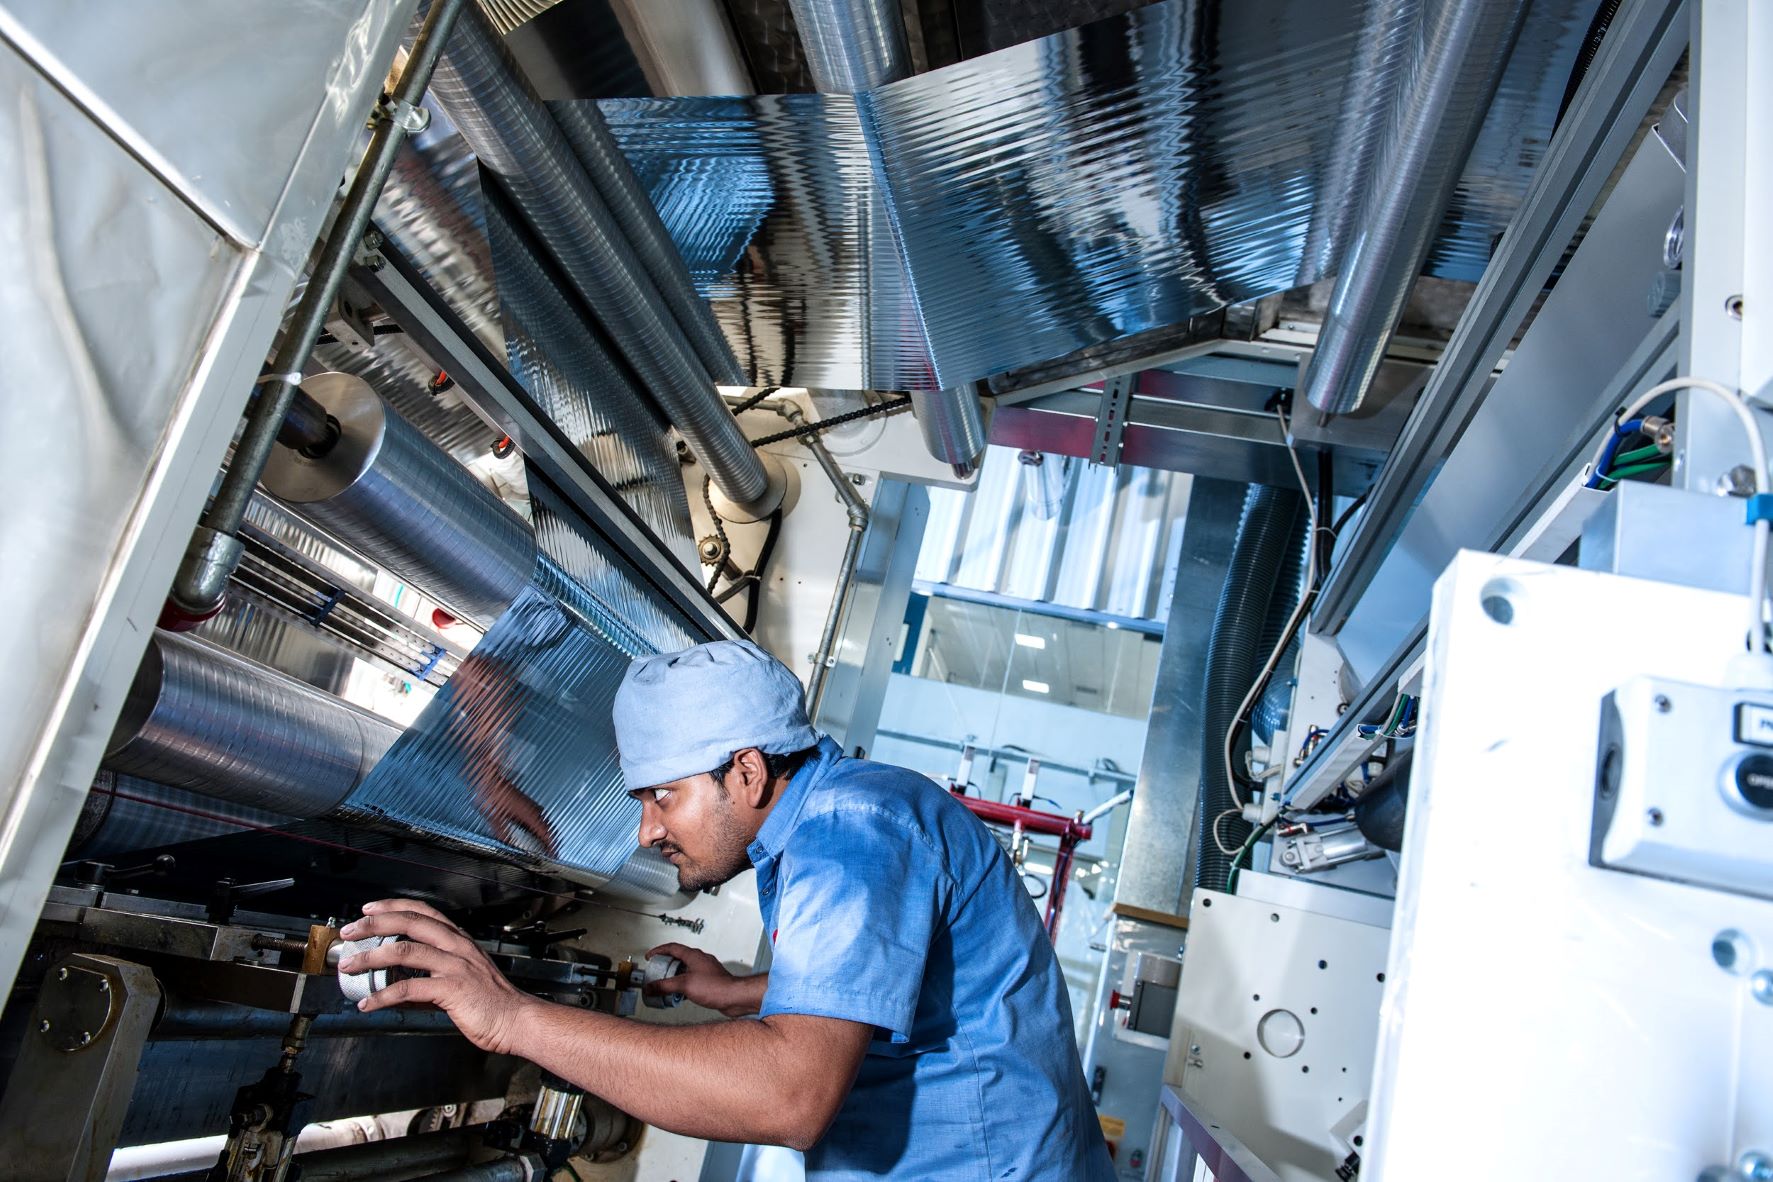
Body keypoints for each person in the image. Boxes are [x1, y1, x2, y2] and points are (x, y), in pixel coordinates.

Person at [340, 640, 1114, 1180]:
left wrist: (510, 1018)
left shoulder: (851, 835)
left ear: (744, 771)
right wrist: (738, 991)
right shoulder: (839, 818)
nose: (647, 830)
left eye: (662, 796)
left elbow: (789, 1095)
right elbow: (896, 986)